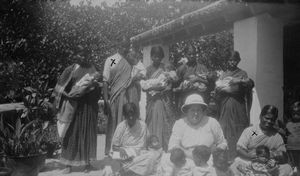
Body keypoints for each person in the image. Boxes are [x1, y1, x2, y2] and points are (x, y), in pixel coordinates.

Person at [52, 46, 101, 174]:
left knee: (88, 133)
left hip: (89, 106)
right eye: (80, 55)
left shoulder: (92, 68)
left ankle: (87, 164)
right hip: (73, 106)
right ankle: (68, 164)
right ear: (75, 55)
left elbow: (98, 85)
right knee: (71, 133)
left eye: (85, 55)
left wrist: (93, 86)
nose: (83, 58)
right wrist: (68, 95)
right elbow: (59, 88)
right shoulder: (70, 70)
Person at [231, 105, 293, 176]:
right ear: (260, 116)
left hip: (269, 167)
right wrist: (250, 157)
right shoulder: (251, 131)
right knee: (235, 164)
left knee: (287, 168)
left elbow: (282, 154)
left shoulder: (276, 136)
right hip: (250, 163)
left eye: (272, 119)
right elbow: (239, 149)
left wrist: (270, 159)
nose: (269, 121)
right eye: (267, 118)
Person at [215, 50, 254, 160]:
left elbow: (247, 86)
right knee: (224, 129)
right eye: (230, 60)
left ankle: (237, 157)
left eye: (235, 60)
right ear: (227, 61)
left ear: (238, 61)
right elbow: (218, 90)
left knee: (239, 130)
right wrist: (224, 89)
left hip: (237, 106)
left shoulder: (242, 74)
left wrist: (235, 84)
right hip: (225, 107)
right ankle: (225, 157)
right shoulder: (223, 74)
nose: (232, 62)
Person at [168, 93, 227, 160]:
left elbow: (222, 143)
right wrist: (189, 154)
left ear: (202, 111)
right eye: (192, 110)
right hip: (186, 159)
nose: (196, 113)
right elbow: (172, 145)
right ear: (187, 111)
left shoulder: (211, 122)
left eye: (198, 110)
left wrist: (214, 152)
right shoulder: (180, 123)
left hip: (208, 159)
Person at [103, 37, 136, 155]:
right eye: (122, 45)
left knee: (125, 123)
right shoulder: (112, 60)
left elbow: (132, 79)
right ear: (118, 45)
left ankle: (124, 150)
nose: (125, 48)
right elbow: (105, 81)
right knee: (113, 122)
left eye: (127, 46)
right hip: (115, 97)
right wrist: (106, 101)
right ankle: (111, 150)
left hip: (126, 97)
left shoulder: (130, 60)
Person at [142, 46, 177, 151]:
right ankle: (151, 147)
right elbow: (144, 87)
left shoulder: (166, 69)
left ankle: (163, 147)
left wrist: (163, 88)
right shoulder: (147, 70)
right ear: (151, 56)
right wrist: (153, 88)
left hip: (162, 101)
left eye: (159, 56)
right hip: (151, 102)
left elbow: (171, 84)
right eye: (154, 56)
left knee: (164, 124)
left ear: (162, 57)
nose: (156, 58)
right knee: (151, 123)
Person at [175, 44, 210, 111]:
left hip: (200, 100)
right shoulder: (181, 69)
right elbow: (176, 85)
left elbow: (208, 83)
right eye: (189, 54)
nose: (192, 56)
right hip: (186, 100)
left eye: (193, 54)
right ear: (185, 55)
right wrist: (183, 87)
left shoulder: (202, 67)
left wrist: (197, 79)